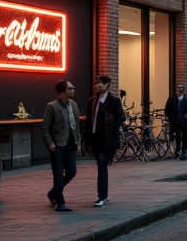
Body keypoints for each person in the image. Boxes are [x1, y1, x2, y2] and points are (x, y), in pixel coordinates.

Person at [84, 75, 125, 207]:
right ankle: (103, 196)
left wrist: (112, 126)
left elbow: (121, 117)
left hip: (108, 140)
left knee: (102, 165)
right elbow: (88, 121)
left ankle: (102, 196)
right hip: (95, 139)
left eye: (101, 83)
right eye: (97, 83)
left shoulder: (114, 101)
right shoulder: (92, 101)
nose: (98, 85)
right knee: (100, 165)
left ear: (108, 85)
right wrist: (86, 139)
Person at [41, 80, 81, 212]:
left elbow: (76, 125)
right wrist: (50, 143)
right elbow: (45, 127)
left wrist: (78, 141)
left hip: (70, 144)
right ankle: (60, 202)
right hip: (57, 145)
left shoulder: (73, 104)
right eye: (70, 88)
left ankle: (53, 193)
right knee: (58, 173)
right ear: (62, 92)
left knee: (71, 171)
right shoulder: (52, 106)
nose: (73, 90)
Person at [164, 83, 187, 160]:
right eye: (179, 89)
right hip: (175, 120)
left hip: (184, 121)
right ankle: (177, 150)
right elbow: (167, 109)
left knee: (184, 136)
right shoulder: (171, 98)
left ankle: (184, 151)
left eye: (181, 89)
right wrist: (170, 118)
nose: (180, 91)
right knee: (177, 136)